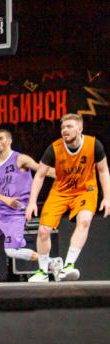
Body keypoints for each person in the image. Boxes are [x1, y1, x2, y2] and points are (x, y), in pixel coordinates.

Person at [26, 113, 110, 281]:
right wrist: (32, 202)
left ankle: (69, 265)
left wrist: (107, 197)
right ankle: (43, 271)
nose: (65, 130)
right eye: (63, 127)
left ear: (80, 129)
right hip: (60, 191)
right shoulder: (54, 148)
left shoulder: (94, 145)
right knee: (43, 231)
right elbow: (40, 175)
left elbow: (103, 171)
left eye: (69, 126)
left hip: (86, 190)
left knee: (84, 221)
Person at [0, 129, 59, 283]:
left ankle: (51, 262)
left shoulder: (20, 159)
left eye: (0, 139)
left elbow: (43, 170)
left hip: (15, 213)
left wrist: (67, 176)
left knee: (11, 251)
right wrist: (5, 199)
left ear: (9, 141)